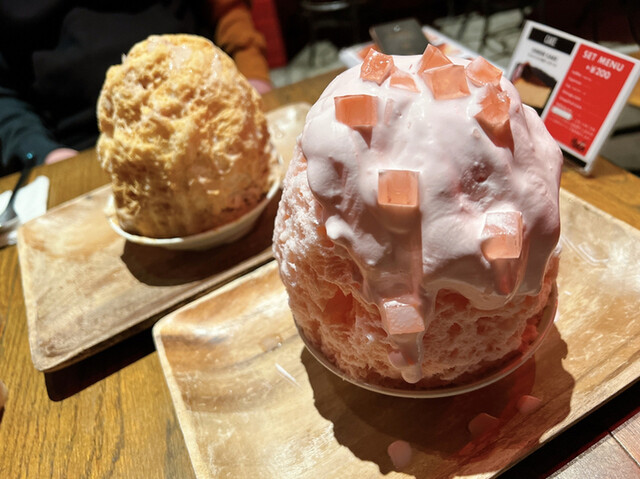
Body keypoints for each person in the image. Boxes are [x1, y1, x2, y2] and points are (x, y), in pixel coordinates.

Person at [0, 0, 272, 176]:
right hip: (82, 150)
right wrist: (42, 151)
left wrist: (252, 71)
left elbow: (227, 8)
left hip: (209, 116)